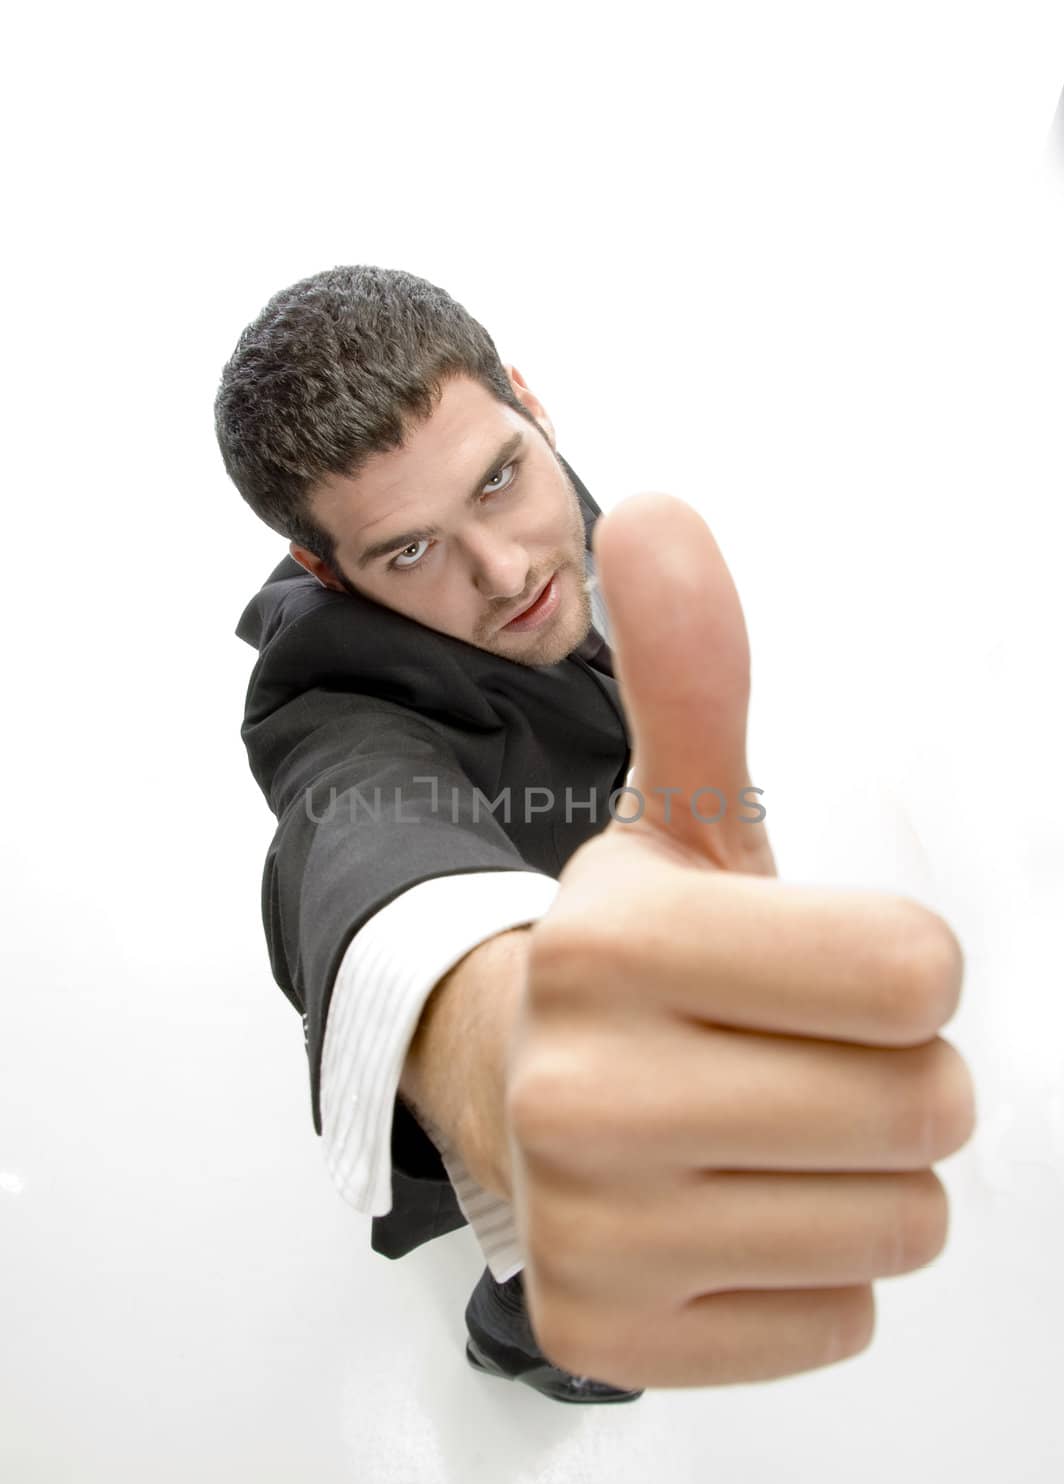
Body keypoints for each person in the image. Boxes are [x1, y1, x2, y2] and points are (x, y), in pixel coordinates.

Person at [216, 265, 976, 1404]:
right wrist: (506, 1049)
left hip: (622, 893)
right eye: (407, 552)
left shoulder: (570, 515)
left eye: (498, 479)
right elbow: (372, 846)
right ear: (323, 572)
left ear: (527, 400)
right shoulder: (333, 708)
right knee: (567, 1285)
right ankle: (515, 1340)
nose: (508, 568)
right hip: (511, 1047)